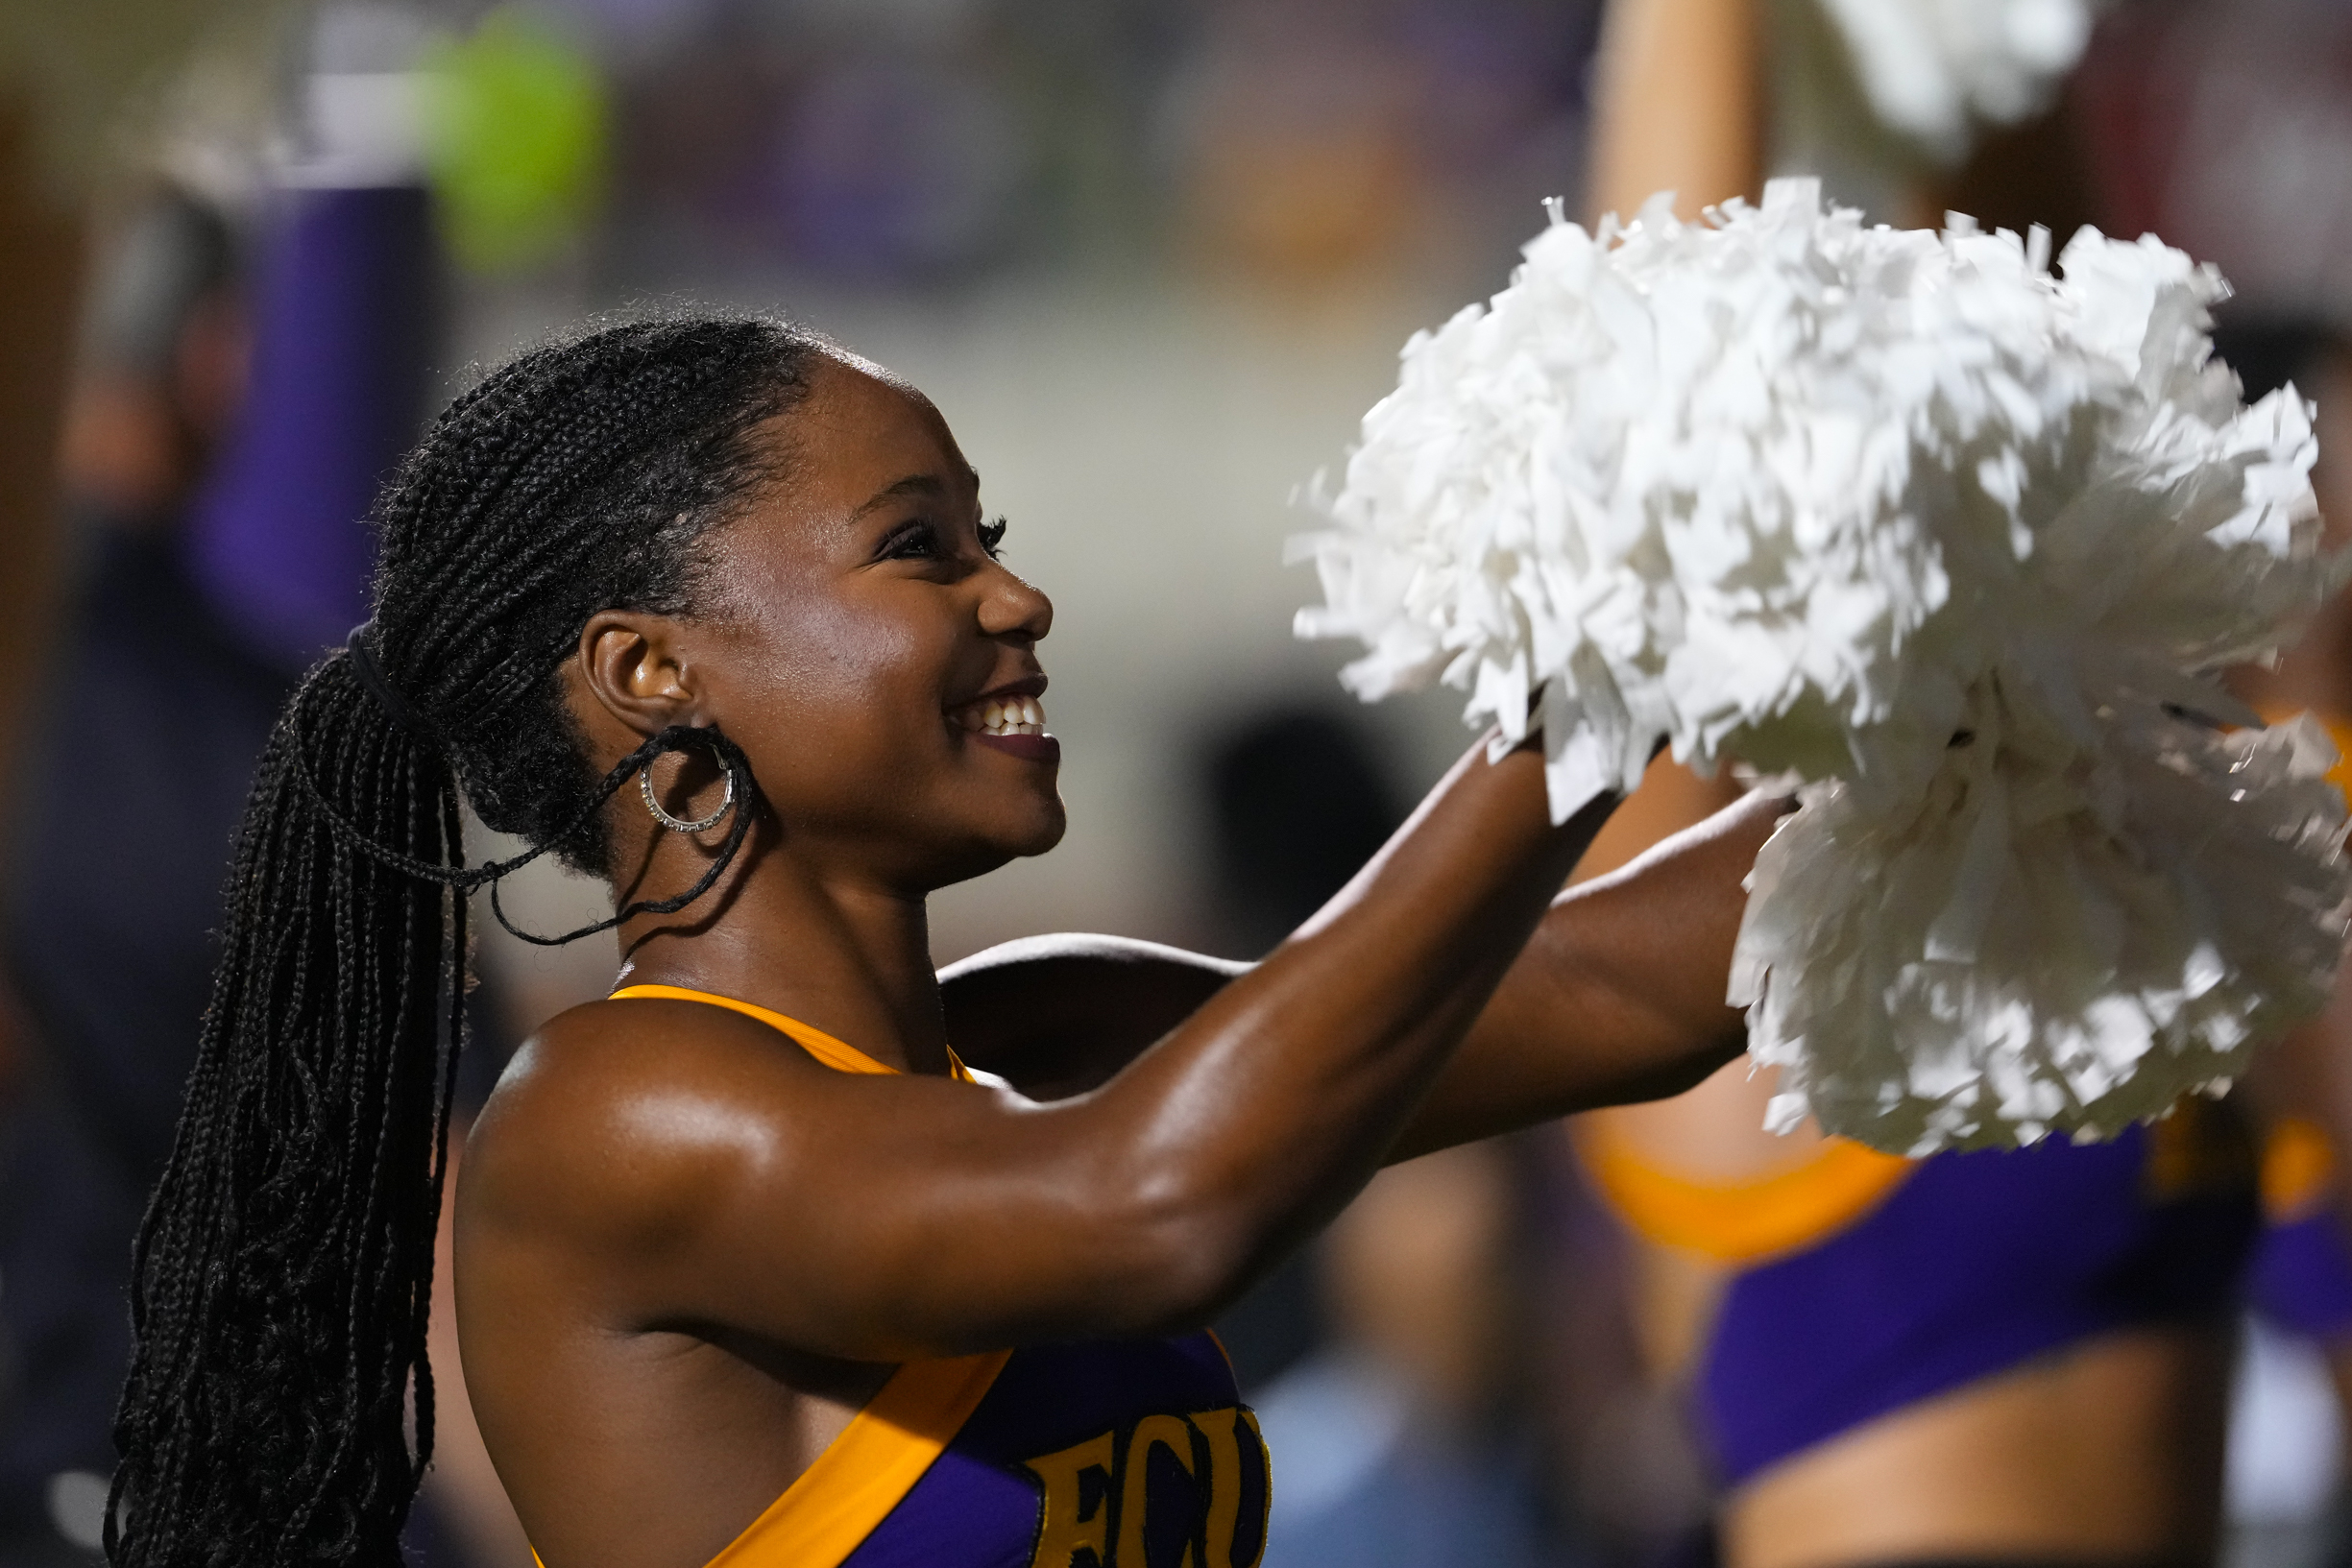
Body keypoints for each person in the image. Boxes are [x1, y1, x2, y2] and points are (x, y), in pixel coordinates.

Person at [107, 316, 1784, 1568]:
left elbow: (1609, 982)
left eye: (990, 535)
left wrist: (1990, 727)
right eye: (919, 546)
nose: (1014, 597)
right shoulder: (609, 1122)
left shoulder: (1045, 1037)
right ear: (648, 671)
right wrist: (1573, 692)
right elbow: (1155, 1208)